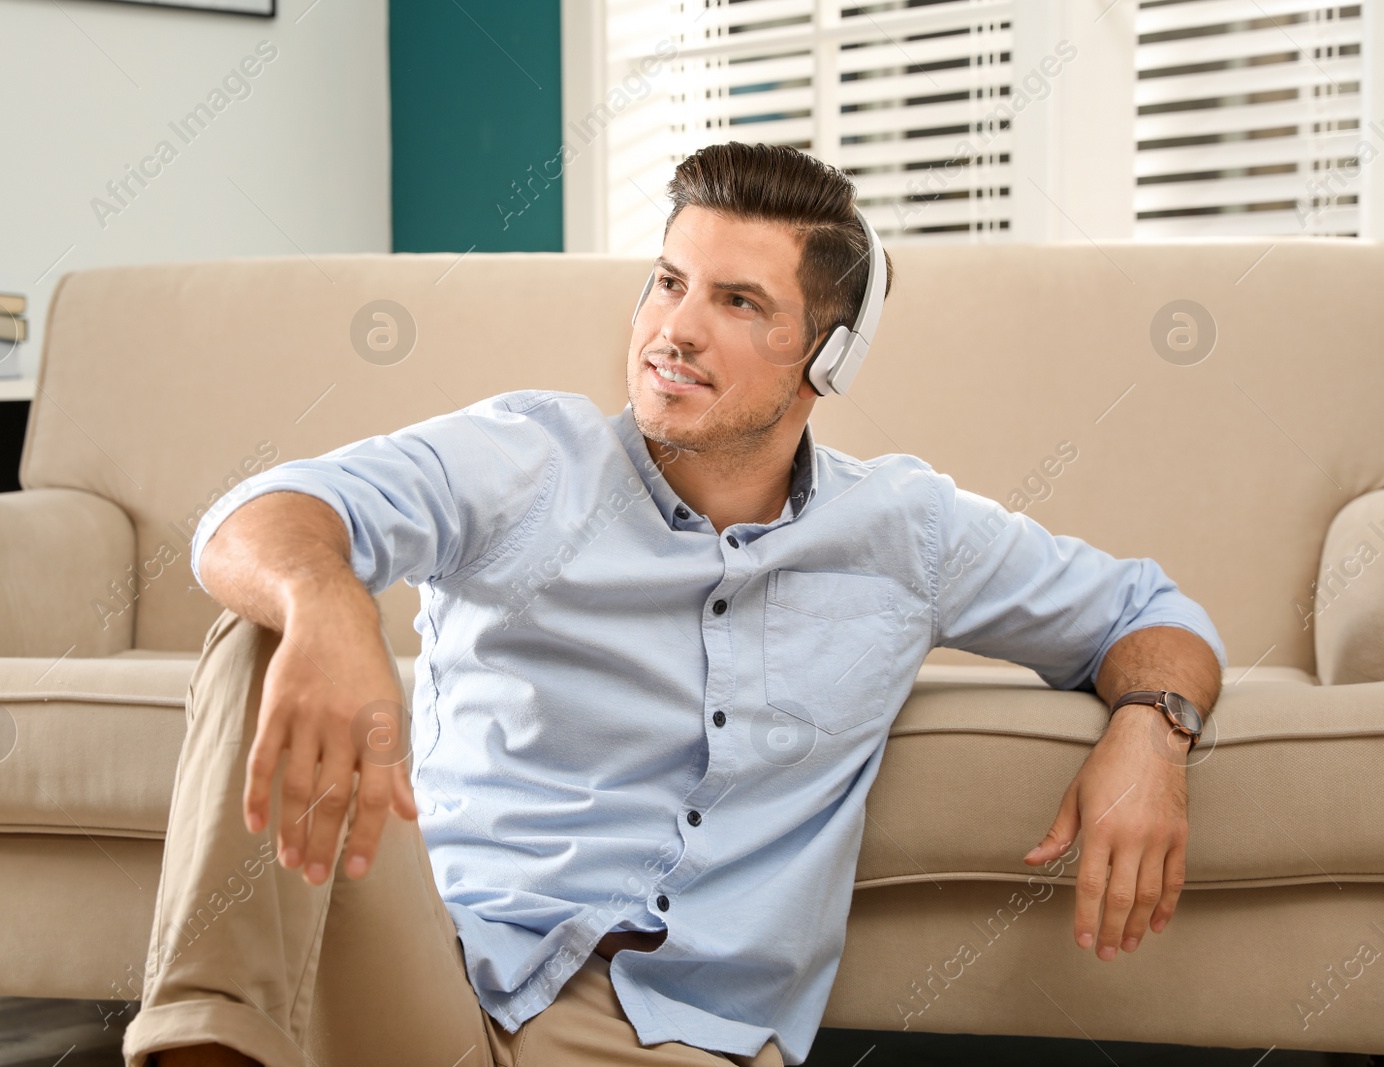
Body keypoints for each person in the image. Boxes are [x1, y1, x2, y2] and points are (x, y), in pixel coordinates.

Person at [121, 141, 1226, 1067]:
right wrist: (330, 608)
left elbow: (1148, 611)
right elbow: (259, 514)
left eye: (736, 301)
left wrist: (1151, 731)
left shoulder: (911, 531)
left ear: (825, 361)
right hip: (442, 977)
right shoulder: (526, 458)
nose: (673, 329)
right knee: (264, 628)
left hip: (680, 1034)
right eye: (666, 280)